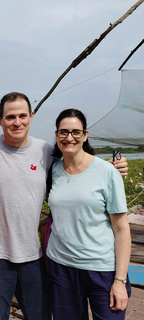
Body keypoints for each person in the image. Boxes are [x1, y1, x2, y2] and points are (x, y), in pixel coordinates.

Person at [0, 92, 129, 320]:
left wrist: (112, 166)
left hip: (33, 255)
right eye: (10, 117)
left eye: (22, 115)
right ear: (0, 120)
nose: (17, 122)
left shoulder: (46, 152)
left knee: (40, 315)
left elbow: (78, 164)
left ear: (31, 116)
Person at [46, 108, 131, 320]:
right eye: (63, 132)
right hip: (62, 268)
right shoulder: (53, 169)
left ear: (85, 135)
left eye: (76, 132)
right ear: (56, 135)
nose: (69, 137)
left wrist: (119, 280)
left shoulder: (106, 171)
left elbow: (122, 230)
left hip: (101, 268)